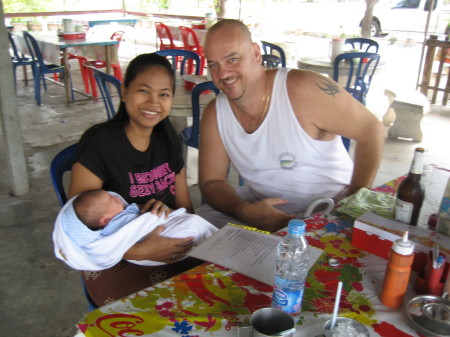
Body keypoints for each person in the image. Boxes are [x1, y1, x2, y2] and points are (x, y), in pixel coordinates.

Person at [197, 19, 385, 233]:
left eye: (232, 59)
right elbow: (212, 181)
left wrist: (352, 203)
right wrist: (245, 211)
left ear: (256, 54)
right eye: (213, 64)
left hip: (328, 208)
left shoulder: (303, 88)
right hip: (259, 208)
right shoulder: (216, 112)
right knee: (197, 225)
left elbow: (372, 130)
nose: (222, 74)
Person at [67, 53, 203, 306]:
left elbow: (187, 209)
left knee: (217, 289)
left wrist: (167, 220)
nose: (153, 102)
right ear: (124, 91)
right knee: (161, 311)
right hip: (112, 259)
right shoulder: (100, 143)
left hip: (168, 242)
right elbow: (78, 230)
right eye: (144, 90)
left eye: (164, 94)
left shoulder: (170, 140)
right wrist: (138, 250)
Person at [54, 189, 217, 268]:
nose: (118, 198)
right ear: (105, 220)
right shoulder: (114, 227)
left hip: (159, 231)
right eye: (113, 200)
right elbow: (120, 241)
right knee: (194, 225)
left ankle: (217, 244)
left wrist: (166, 214)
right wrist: (140, 249)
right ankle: (219, 243)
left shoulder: (169, 141)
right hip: (146, 247)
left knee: (194, 223)